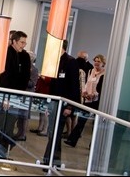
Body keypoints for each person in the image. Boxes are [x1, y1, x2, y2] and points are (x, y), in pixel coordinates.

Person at [43, 40, 81, 170]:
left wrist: (70, 106)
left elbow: (74, 86)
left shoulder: (71, 62)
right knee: (54, 133)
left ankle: (48, 160)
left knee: (55, 133)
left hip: (64, 104)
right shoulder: (55, 61)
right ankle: (54, 161)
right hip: (54, 102)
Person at [64, 54, 106, 148]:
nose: (96, 63)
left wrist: (94, 94)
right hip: (88, 99)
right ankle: (72, 140)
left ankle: (93, 144)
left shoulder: (104, 74)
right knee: (82, 120)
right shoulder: (91, 71)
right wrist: (84, 92)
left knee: (95, 124)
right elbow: (86, 83)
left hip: (96, 101)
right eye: (95, 61)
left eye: (99, 61)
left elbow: (101, 88)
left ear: (103, 63)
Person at [13, 50, 38, 141]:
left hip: (27, 95)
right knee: (18, 115)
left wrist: (22, 80)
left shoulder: (34, 70)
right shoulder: (22, 66)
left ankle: (22, 134)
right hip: (20, 94)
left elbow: (32, 83)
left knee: (24, 115)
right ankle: (19, 133)